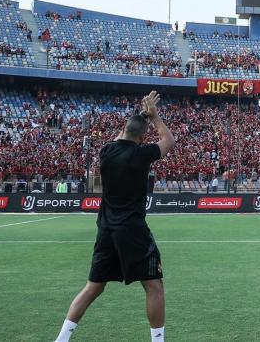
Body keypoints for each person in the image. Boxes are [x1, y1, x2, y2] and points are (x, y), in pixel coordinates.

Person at [55, 91, 175, 342]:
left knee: (93, 287)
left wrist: (140, 116)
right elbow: (168, 141)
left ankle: (62, 339)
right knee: (154, 285)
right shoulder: (141, 155)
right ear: (142, 137)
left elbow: (123, 135)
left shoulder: (106, 151)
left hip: (106, 228)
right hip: (132, 229)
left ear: (123, 129)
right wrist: (154, 116)